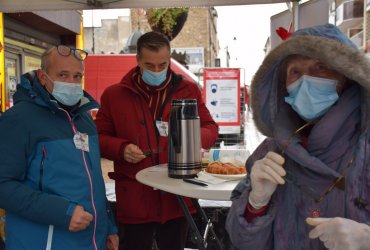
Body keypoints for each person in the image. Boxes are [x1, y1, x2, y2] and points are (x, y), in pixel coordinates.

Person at [225, 23, 370, 249]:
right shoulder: (270, 151)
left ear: (346, 75)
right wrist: (255, 203)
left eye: (320, 66)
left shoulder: (365, 147)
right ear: (283, 86)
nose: (306, 80)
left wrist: (366, 239)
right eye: (295, 72)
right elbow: (242, 241)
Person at [95, 31, 218, 250]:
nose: (157, 70)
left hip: (177, 194)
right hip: (134, 196)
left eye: (162, 65)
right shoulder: (114, 95)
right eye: (150, 65)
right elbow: (99, 137)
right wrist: (121, 149)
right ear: (138, 61)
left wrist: (194, 139)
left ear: (169, 59)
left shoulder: (188, 90)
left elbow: (210, 127)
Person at [0, 45, 119, 250]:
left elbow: (93, 180)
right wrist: (63, 212)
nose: (71, 83)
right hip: (42, 242)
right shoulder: (18, 120)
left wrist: (108, 227)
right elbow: (3, 185)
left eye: (77, 76)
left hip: (91, 241)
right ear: (42, 76)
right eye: (63, 75)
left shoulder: (85, 119)